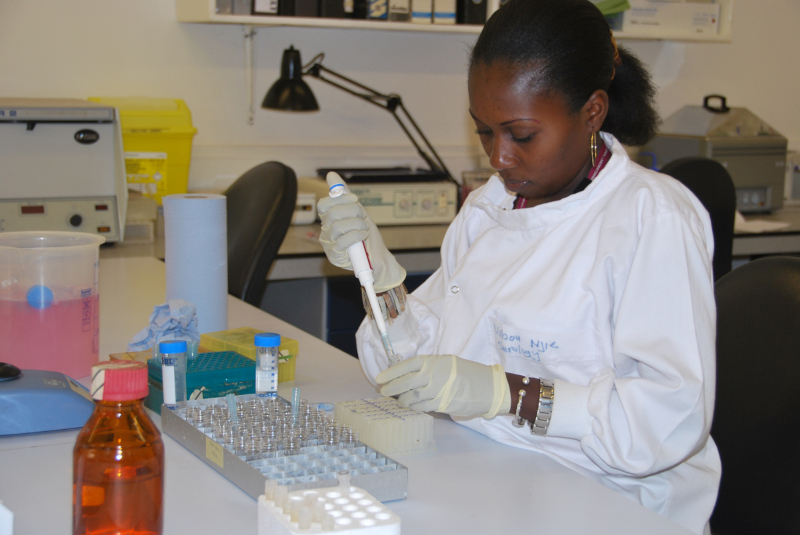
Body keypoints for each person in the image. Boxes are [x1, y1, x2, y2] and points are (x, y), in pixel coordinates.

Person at [317, 0, 721, 533]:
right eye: (484, 131)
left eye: (521, 135)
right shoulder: (491, 207)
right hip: (489, 475)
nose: (499, 158)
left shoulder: (651, 218)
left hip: (611, 504)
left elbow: (665, 424)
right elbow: (411, 373)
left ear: (593, 111)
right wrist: (381, 282)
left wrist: (509, 392)